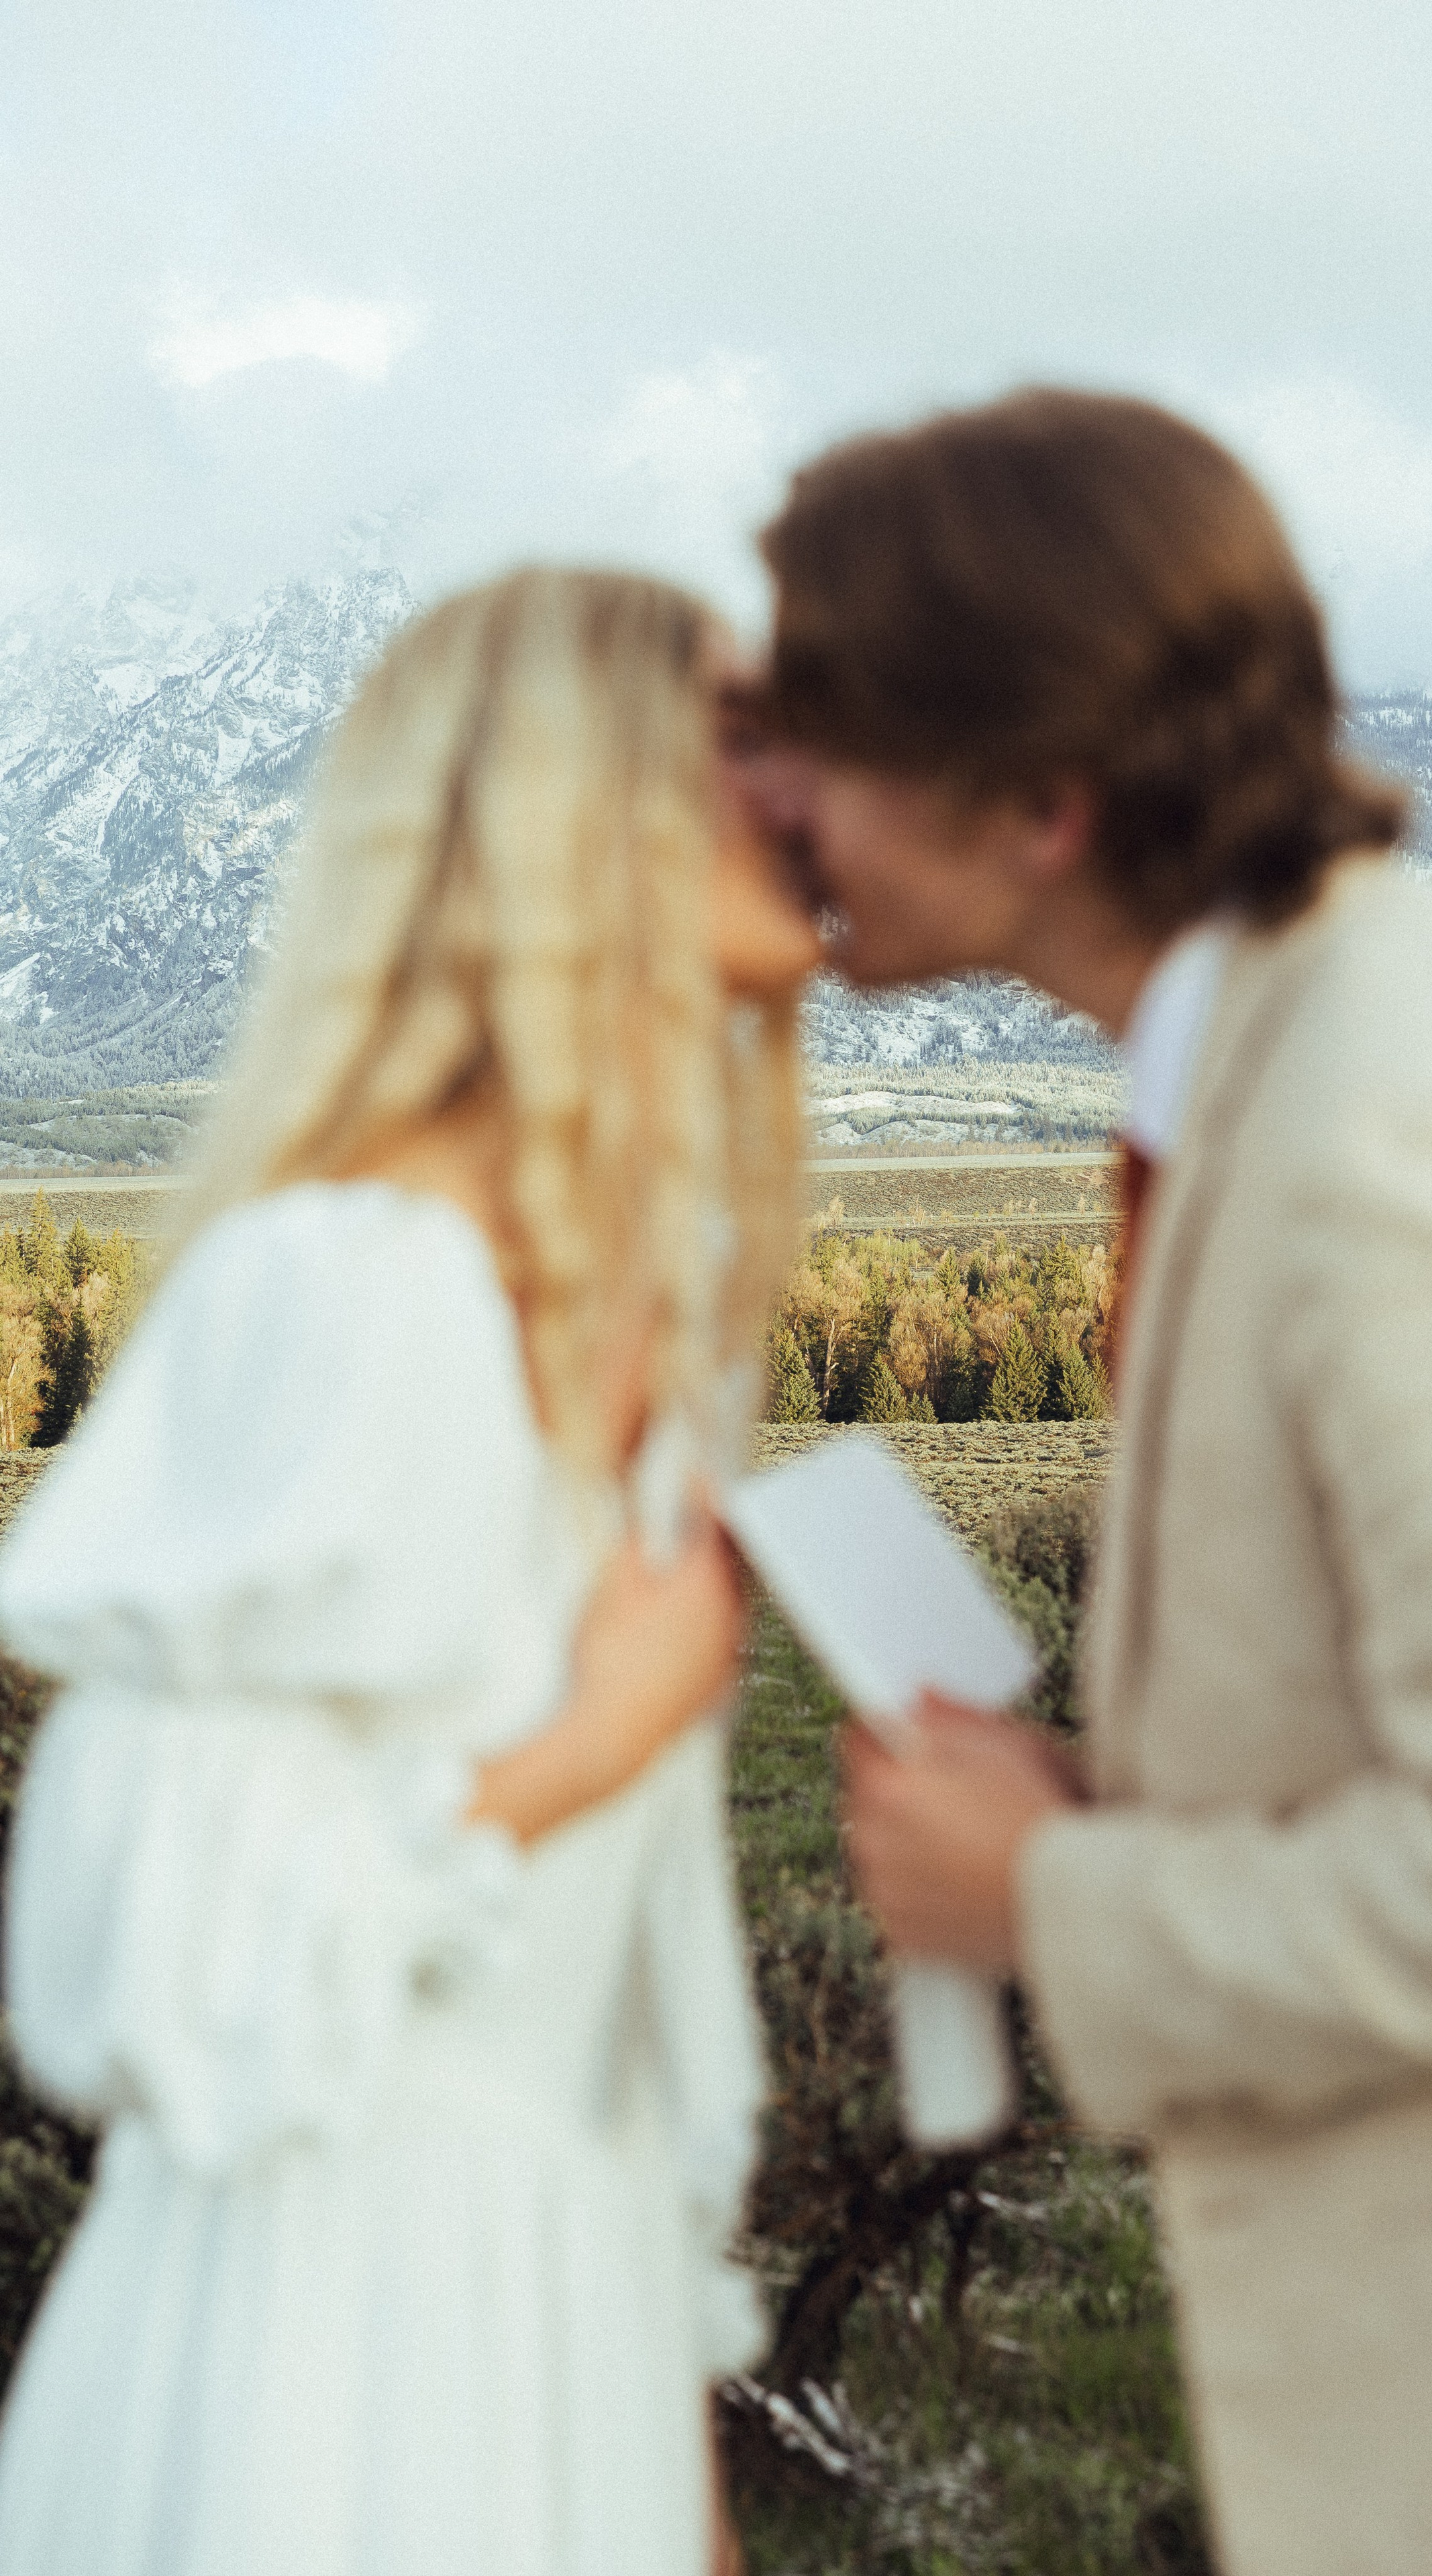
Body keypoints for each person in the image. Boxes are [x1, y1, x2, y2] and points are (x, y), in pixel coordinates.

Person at [762, 390, 1432, 2575]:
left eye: (823, 724)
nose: (771, 790)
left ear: (1043, 794)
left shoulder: (1403, 1136)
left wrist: (1051, 1907)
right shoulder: (1308, 1058)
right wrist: (1105, 1798)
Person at [0, 568, 820, 2576]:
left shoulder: (643, 1337)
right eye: (740, 736)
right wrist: (593, 1736)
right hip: (314, 2382)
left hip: (548, 2366)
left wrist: (666, 2470)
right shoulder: (362, 1291)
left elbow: (607, 2045)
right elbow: (150, 1970)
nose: (816, 781)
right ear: (568, 819)